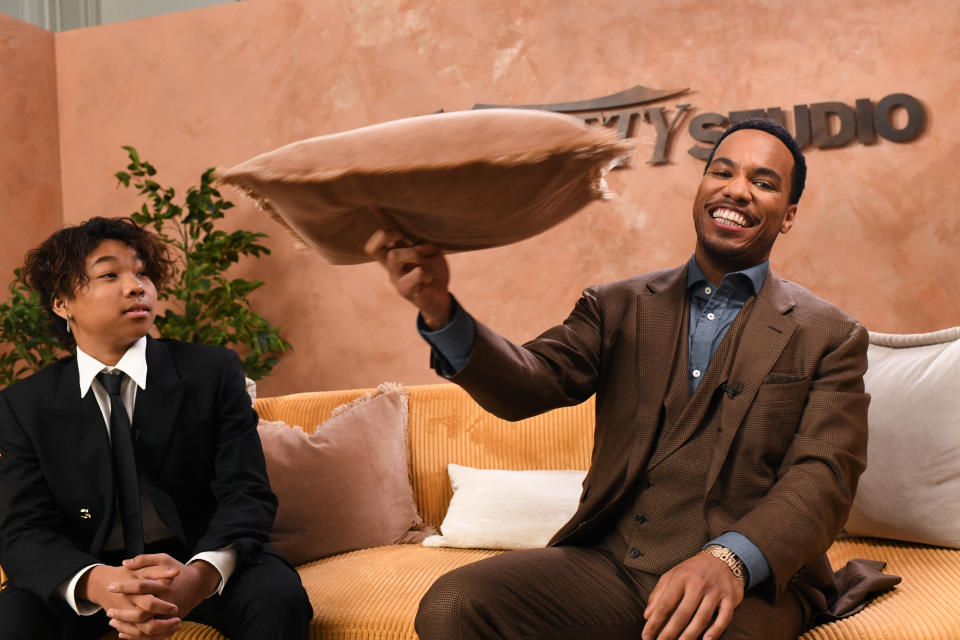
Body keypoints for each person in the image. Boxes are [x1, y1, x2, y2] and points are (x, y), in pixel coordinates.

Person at [367, 118, 895, 640]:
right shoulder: (615, 305)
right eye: (722, 172)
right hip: (611, 565)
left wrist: (731, 560)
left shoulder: (830, 333)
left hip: (751, 585)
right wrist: (440, 311)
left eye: (763, 182)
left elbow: (822, 477)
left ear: (788, 216)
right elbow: (530, 383)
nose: (738, 190)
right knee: (455, 605)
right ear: (701, 187)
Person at [0, 217, 312, 639]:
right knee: (12, 620)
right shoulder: (23, 404)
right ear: (61, 302)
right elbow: (22, 529)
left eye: (142, 272)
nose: (136, 286)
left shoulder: (212, 371)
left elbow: (246, 493)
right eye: (110, 274)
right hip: (87, 564)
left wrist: (197, 578)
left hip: (198, 554)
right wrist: (100, 584)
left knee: (278, 599)